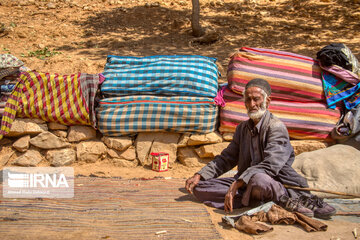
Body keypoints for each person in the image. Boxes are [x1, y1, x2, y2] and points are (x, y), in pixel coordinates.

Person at [185, 78, 336, 219]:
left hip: (274, 182)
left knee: (259, 180)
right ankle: (254, 199)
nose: (252, 104)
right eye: (248, 100)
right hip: (245, 183)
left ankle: (284, 198)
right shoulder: (242, 128)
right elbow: (227, 158)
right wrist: (200, 175)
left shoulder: (276, 127)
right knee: (199, 188)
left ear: (267, 101)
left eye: (256, 99)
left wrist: (238, 183)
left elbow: (270, 165)